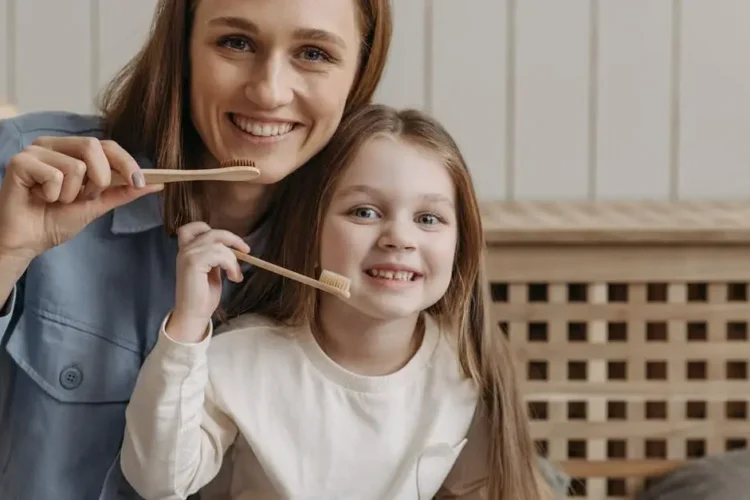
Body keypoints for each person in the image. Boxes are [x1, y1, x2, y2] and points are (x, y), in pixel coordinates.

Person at [0, 0, 392, 499]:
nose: (269, 91)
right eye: (235, 43)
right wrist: (6, 254)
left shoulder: (370, 256)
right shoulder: (23, 171)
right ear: (181, 48)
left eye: (313, 53)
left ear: (359, 73)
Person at [119, 104, 553, 500]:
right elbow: (158, 479)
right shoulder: (241, 357)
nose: (399, 238)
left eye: (428, 219)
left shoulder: (468, 369)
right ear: (312, 228)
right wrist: (189, 323)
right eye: (364, 212)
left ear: (461, 245)